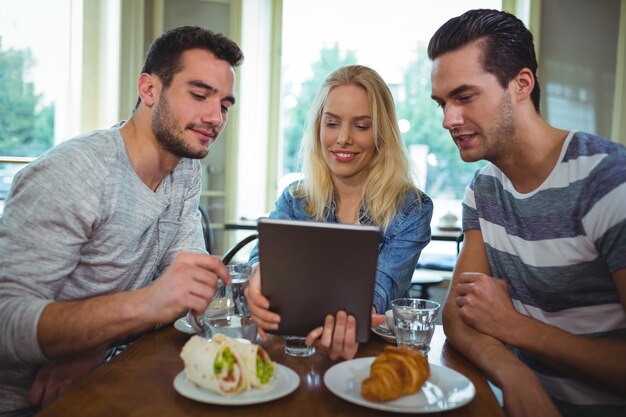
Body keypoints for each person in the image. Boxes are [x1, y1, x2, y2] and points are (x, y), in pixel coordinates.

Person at [0, 26, 243, 416]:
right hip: (34, 404)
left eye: (225, 105)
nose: (215, 117)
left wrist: (95, 344)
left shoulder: (184, 171)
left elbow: (186, 291)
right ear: (149, 90)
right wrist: (147, 304)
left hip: (116, 373)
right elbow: (6, 321)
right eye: (199, 95)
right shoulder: (74, 174)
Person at [428, 9, 626, 417]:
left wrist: (515, 328)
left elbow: (495, 322)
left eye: (464, 97)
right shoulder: (484, 190)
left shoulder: (609, 181)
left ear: (521, 85)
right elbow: (457, 315)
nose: (449, 120)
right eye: (442, 103)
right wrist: (515, 375)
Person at [245, 65, 433, 361]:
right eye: (332, 123)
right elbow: (261, 260)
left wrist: (353, 318)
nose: (343, 138)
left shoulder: (411, 210)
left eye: (361, 126)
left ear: (382, 133)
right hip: (290, 352)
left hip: (366, 358)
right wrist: (257, 274)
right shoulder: (295, 199)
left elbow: (378, 293)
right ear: (319, 127)